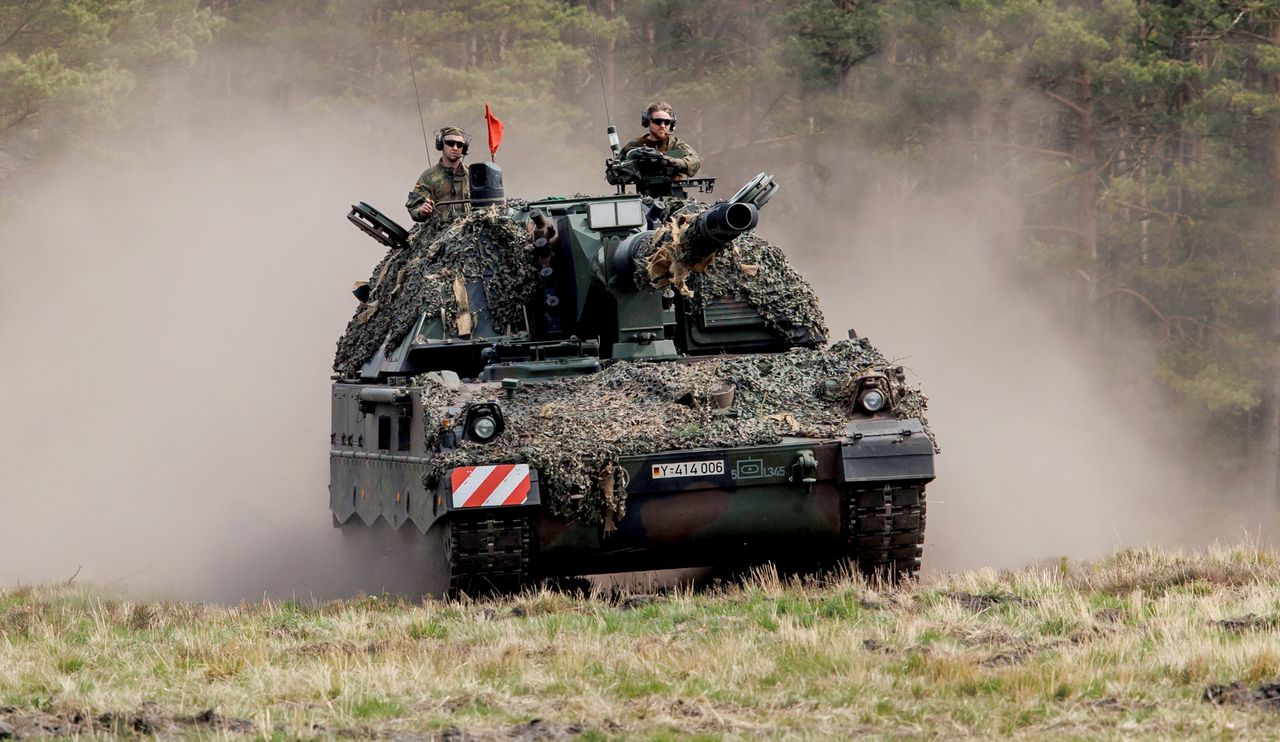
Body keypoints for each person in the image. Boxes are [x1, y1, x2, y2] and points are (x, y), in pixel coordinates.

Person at [406, 126, 470, 224]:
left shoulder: (473, 174)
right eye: (450, 143)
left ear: (464, 148)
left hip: (470, 230)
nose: (455, 148)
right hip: (439, 232)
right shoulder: (428, 176)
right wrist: (422, 210)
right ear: (441, 144)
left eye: (459, 144)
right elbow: (414, 206)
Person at [620, 101, 700, 178]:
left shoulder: (676, 144)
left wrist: (665, 159)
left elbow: (695, 162)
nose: (662, 125)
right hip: (644, 191)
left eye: (667, 122)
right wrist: (633, 163)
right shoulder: (635, 146)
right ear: (647, 121)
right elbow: (613, 175)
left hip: (674, 191)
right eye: (657, 121)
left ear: (672, 124)